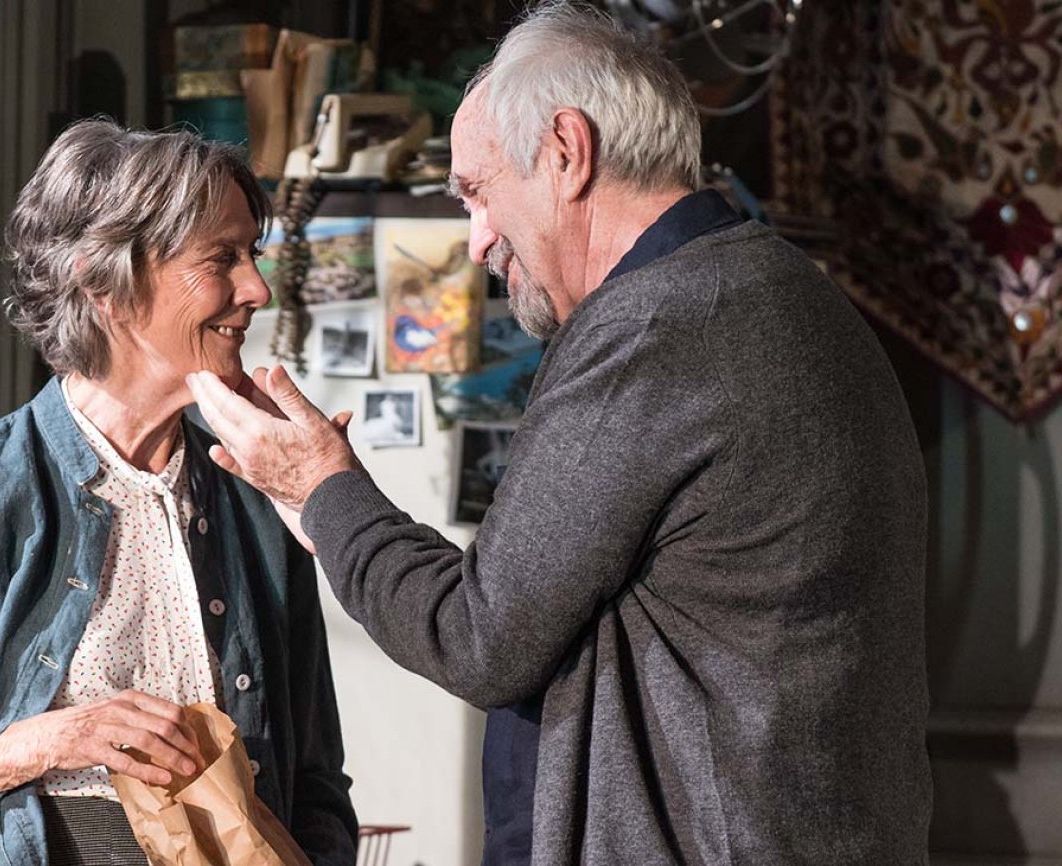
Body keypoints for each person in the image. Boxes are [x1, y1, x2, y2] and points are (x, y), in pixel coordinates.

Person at [186, 3, 932, 864]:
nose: (477, 243)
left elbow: (477, 635)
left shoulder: (658, 328)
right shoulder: (778, 289)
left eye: (477, 192)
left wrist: (320, 488)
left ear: (568, 152)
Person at [0, 119, 358, 866]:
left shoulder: (254, 495)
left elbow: (316, 782)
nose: (257, 289)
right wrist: (49, 739)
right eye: (221, 258)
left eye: (251, 256)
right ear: (108, 286)